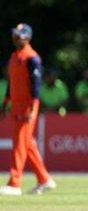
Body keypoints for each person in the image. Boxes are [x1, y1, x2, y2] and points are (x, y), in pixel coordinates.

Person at [0, 23, 56, 196]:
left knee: (19, 143)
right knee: (28, 144)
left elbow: (36, 86)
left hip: (27, 106)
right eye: (14, 34)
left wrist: (33, 108)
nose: (15, 37)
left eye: (19, 35)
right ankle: (44, 179)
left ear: (27, 37)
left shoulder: (32, 58)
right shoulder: (14, 57)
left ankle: (15, 183)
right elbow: (11, 84)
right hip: (16, 106)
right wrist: (5, 103)